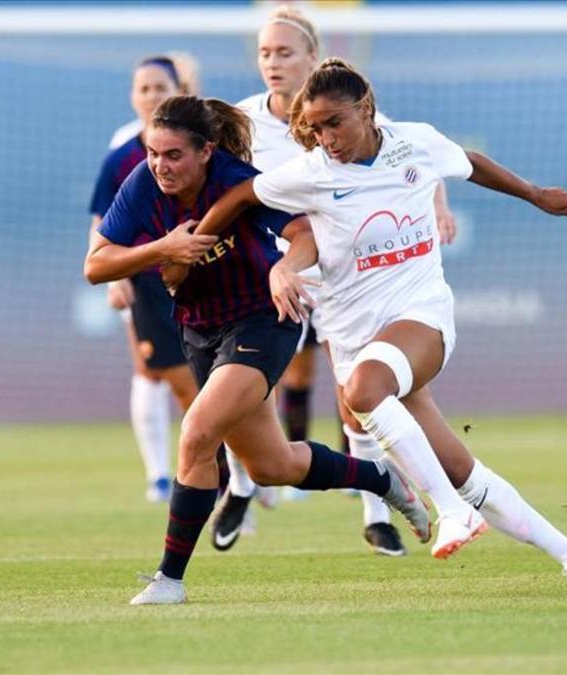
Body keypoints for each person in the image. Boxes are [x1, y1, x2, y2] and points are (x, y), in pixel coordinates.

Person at [171, 59, 567, 595]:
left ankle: (449, 513)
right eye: (317, 127)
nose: (327, 137)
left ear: (367, 110)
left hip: (421, 318)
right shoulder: (312, 174)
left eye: (336, 123)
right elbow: (240, 196)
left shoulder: (414, 143)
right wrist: (189, 254)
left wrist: (535, 194)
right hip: (357, 340)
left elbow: (467, 162)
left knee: (365, 393)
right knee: (462, 473)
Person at [84, 95, 431, 605]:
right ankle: (380, 478)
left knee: (198, 434)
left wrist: (285, 267)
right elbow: (96, 265)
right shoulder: (143, 183)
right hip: (200, 330)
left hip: (262, 321)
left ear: (205, 151)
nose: (160, 164)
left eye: (173, 154)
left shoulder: (238, 179)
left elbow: (304, 232)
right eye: (154, 154)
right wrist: (162, 249)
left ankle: (170, 580)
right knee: (273, 466)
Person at [213, 4, 460, 557]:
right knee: (245, 383)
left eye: (285, 53)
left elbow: (418, 158)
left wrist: (439, 204)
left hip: (345, 277)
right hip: (269, 274)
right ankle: (241, 486)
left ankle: (376, 511)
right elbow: (224, 188)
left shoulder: (350, 115)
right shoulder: (241, 122)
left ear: (312, 58)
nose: (273, 63)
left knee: (358, 402)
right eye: (264, 53)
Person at [90, 55, 192, 502]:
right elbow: (103, 220)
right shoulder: (122, 149)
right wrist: (115, 274)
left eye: (160, 87)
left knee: (207, 375)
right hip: (143, 276)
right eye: (143, 88)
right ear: (133, 96)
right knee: (151, 371)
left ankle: (237, 475)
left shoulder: (202, 140)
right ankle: (159, 476)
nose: (151, 95)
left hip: (196, 275)